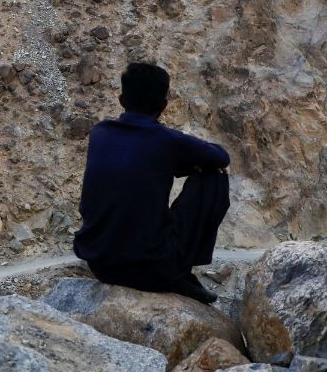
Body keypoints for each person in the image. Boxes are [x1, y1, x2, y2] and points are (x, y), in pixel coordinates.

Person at [73, 62, 230, 304]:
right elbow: (221, 157)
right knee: (215, 175)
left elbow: (142, 160)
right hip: (150, 269)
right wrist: (197, 165)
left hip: (100, 263)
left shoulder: (100, 133)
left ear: (121, 99)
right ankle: (179, 271)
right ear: (164, 105)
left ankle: (175, 270)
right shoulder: (167, 140)